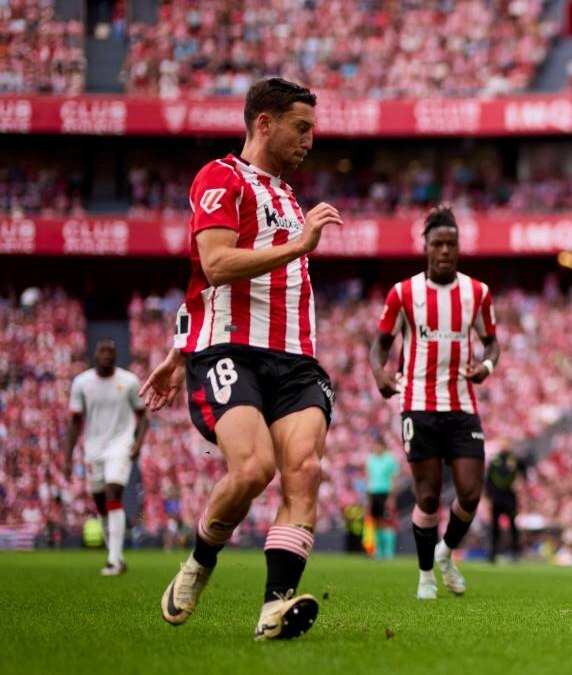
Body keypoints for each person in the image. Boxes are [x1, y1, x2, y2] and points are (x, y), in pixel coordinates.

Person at [139, 77, 341, 641]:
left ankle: (275, 609)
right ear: (265, 123)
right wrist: (186, 351)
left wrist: (178, 346)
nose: (309, 141)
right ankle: (201, 559)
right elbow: (216, 265)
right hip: (231, 351)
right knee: (253, 469)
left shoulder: (286, 195)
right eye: (301, 128)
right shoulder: (219, 177)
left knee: (305, 471)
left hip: (297, 359)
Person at [370, 205, 501, 600]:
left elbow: (491, 340)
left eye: (451, 244)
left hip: (462, 405)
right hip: (418, 403)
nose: (445, 250)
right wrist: (380, 374)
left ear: (459, 248)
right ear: (425, 247)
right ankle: (426, 574)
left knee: (470, 495)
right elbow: (380, 345)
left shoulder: (477, 293)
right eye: (437, 244)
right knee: (427, 496)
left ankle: (445, 552)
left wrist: (487, 365)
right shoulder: (403, 293)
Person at [63, 338, 148, 575]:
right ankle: (117, 555)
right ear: (95, 354)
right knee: (100, 503)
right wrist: (67, 458)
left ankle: (112, 560)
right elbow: (74, 423)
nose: (106, 355)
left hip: (120, 445)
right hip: (93, 449)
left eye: (110, 351)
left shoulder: (129, 381)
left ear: (116, 355)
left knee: (113, 493)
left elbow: (142, 416)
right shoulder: (82, 383)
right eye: (102, 351)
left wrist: (137, 443)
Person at [485, 444, 527, 562]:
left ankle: (515, 552)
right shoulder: (495, 460)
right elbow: (489, 479)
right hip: (497, 498)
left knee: (513, 526)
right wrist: (489, 496)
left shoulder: (514, 459)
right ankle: (493, 552)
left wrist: (521, 483)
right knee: (494, 526)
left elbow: (524, 469)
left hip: (510, 497)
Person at [366, 433, 400, 560]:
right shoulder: (370, 460)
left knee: (387, 522)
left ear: (383, 446)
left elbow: (394, 479)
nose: (376, 448)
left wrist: (391, 497)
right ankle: (378, 551)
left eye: (378, 445)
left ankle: (389, 552)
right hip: (374, 493)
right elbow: (369, 480)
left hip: (385, 492)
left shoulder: (390, 459)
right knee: (376, 522)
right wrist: (369, 498)